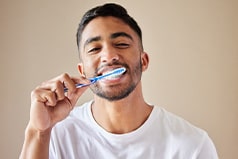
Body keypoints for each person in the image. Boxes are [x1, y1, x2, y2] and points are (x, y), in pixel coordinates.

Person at [20, 3, 218, 159]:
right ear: (82, 71)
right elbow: (41, 134)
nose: (109, 55)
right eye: (94, 49)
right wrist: (39, 132)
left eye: (121, 44)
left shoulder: (192, 146)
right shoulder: (56, 136)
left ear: (144, 60)